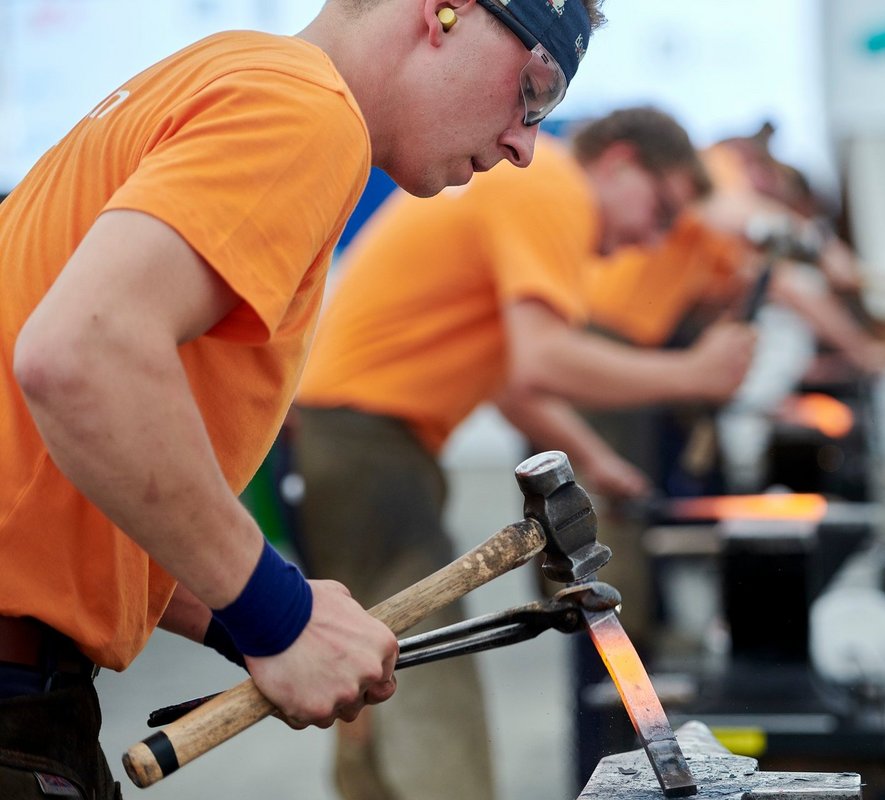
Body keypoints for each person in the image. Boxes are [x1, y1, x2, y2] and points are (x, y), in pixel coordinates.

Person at [0, 0, 604, 796]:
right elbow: (80, 355)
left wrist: (241, 619)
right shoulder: (302, 110)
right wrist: (273, 613)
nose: (527, 143)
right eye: (536, 86)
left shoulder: (222, 75)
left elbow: (66, 465)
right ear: (444, 12)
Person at [290, 106, 755, 800]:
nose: (649, 241)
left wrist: (594, 459)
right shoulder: (554, 186)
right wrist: (693, 375)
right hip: (362, 445)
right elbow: (542, 361)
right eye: (658, 211)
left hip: (351, 440)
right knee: (424, 667)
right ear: (620, 162)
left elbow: (508, 375)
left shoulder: (535, 194)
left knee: (369, 661)